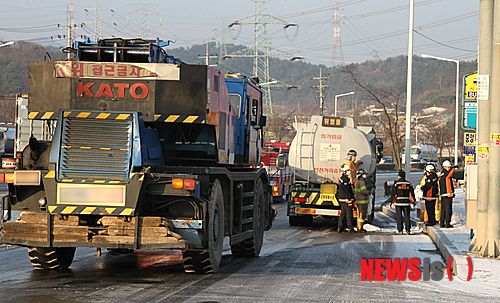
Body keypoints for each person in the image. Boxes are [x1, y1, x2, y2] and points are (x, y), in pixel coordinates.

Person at [393, 170, 416, 235]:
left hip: (398, 203)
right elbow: (412, 194)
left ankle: (400, 230)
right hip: (406, 202)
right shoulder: (408, 184)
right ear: (405, 176)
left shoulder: (396, 184)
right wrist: (414, 201)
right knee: (407, 217)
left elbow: (394, 194)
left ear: (399, 176)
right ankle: (408, 230)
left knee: (399, 217)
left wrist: (392, 202)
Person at [337, 164, 355, 233]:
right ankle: (350, 227)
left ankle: (340, 227)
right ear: (344, 172)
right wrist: (350, 198)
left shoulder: (342, 178)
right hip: (346, 199)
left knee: (343, 214)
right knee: (349, 213)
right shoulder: (345, 179)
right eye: (347, 171)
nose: (348, 172)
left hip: (342, 199)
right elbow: (347, 190)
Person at [439, 160, 456, 228]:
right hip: (447, 194)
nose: (449, 168)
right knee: (448, 209)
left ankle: (442, 223)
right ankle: (447, 223)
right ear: (445, 167)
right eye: (448, 167)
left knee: (443, 209)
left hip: (443, 193)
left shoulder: (441, 174)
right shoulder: (446, 174)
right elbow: (449, 174)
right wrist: (453, 168)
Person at [354, 168, 371, 232]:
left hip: (359, 201)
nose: (365, 175)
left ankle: (360, 227)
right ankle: (360, 228)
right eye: (364, 174)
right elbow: (363, 191)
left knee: (360, 215)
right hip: (362, 201)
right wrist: (369, 192)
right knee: (361, 215)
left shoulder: (357, 182)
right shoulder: (361, 182)